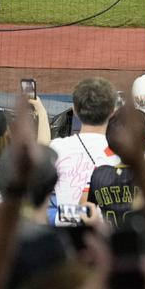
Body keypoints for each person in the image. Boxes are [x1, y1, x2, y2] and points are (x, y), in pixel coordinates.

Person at [50, 77, 119, 208]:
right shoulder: (124, 152)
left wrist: (41, 112)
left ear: (74, 110)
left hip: (65, 228)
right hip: (109, 228)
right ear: (112, 113)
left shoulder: (56, 148)